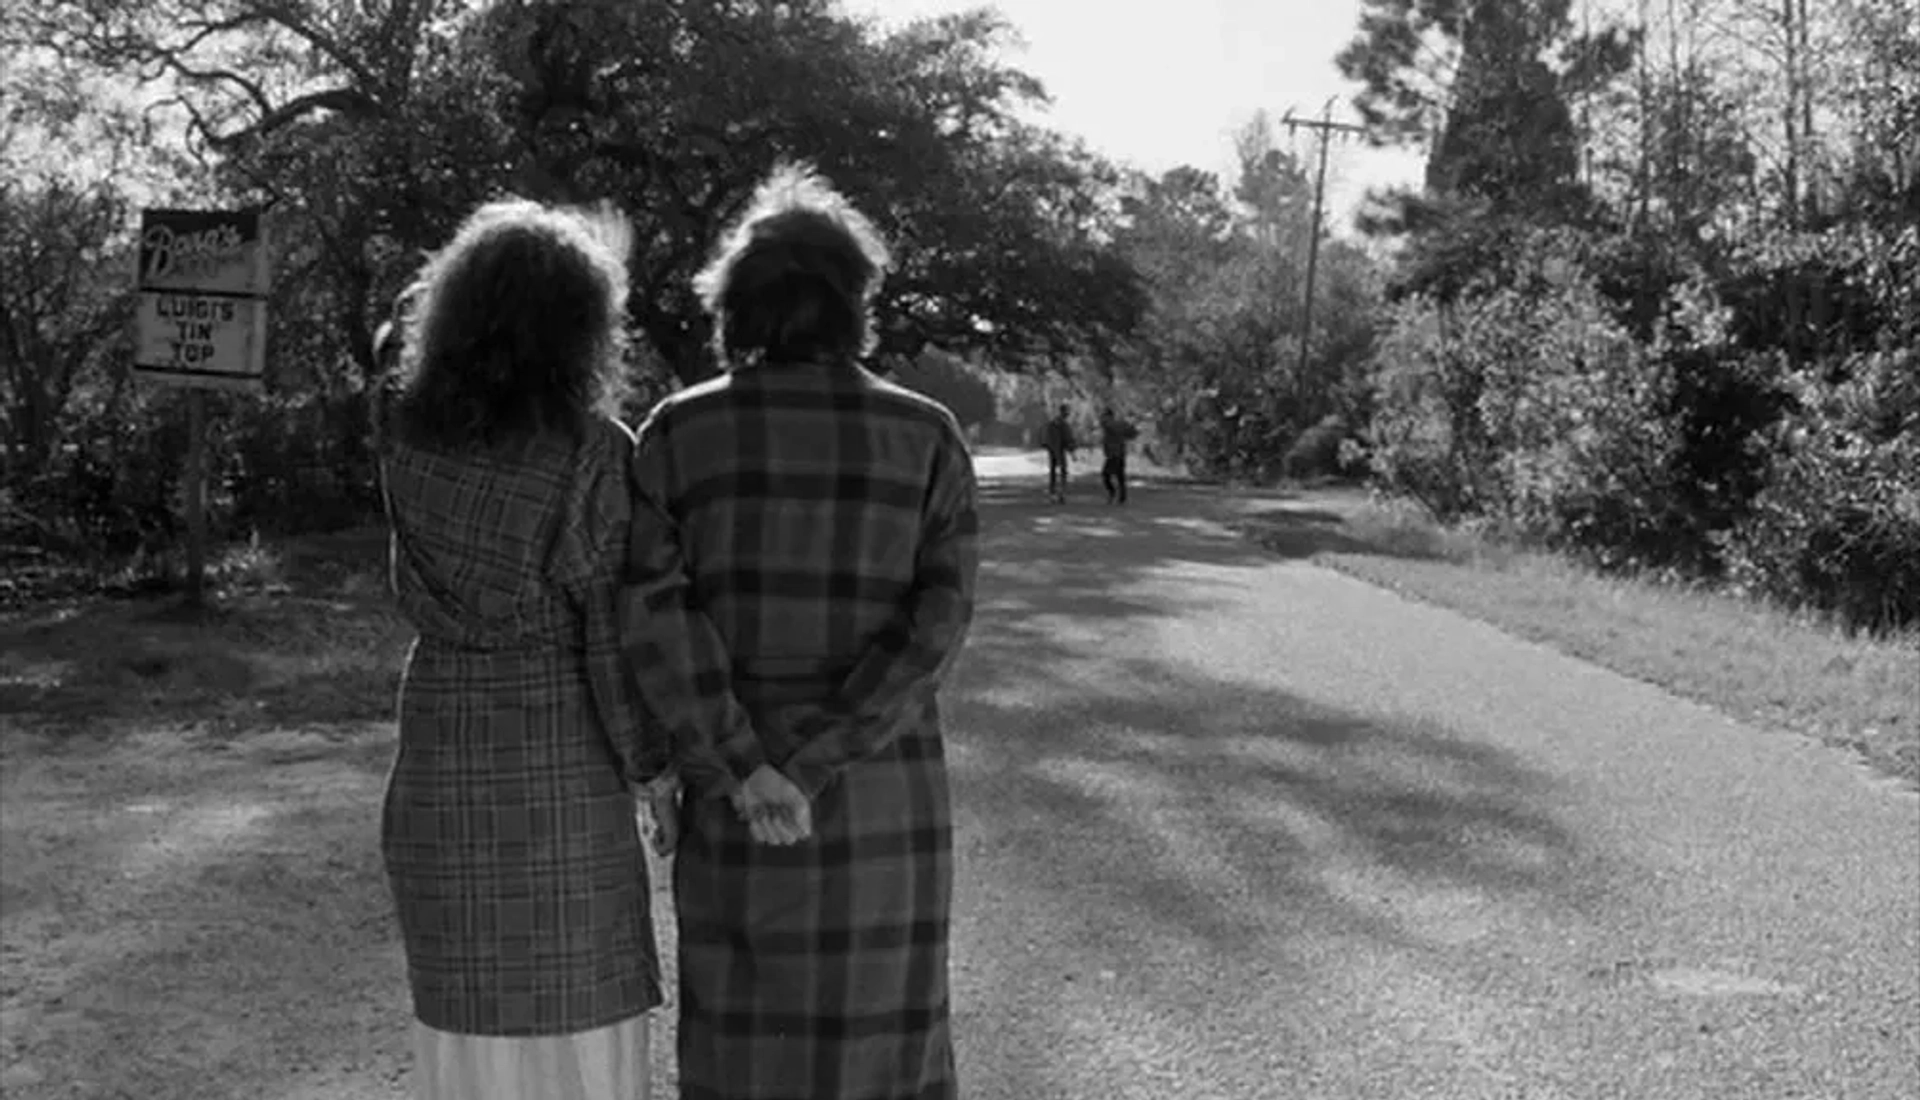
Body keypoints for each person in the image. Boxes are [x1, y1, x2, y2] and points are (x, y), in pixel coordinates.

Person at [618, 162, 979, 1100]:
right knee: (881, 1046)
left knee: (746, 1044)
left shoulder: (675, 434)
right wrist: (814, 763)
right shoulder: (928, 435)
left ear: (733, 306)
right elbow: (936, 625)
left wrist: (743, 765)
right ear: (853, 302)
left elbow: (656, 615)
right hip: (878, 792)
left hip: (738, 803)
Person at [376, 198, 675, 1100]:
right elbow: (608, 640)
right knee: (578, 1038)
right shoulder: (592, 451)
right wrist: (655, 773)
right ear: (582, 328)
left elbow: (392, 336)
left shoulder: (402, 435)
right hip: (561, 773)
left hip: (437, 760)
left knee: (467, 1043)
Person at [1098, 406, 1140, 505]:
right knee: (1120, 476)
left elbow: (1105, 424)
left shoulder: (1109, 423)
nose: (1102, 417)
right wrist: (1133, 425)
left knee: (1106, 475)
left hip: (1113, 454)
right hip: (1121, 453)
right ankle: (1122, 496)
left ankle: (1113, 492)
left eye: (1103, 415)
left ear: (1108, 416)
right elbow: (1132, 434)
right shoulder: (1121, 423)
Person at [1042, 403, 1076, 503]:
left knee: (1053, 472)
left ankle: (1052, 493)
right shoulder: (1064, 425)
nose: (1068, 414)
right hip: (1059, 450)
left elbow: (1046, 437)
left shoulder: (1052, 423)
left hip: (1052, 449)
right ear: (1064, 412)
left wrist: (1047, 446)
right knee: (1063, 471)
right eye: (1067, 412)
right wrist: (1072, 452)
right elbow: (1068, 439)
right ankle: (1061, 493)